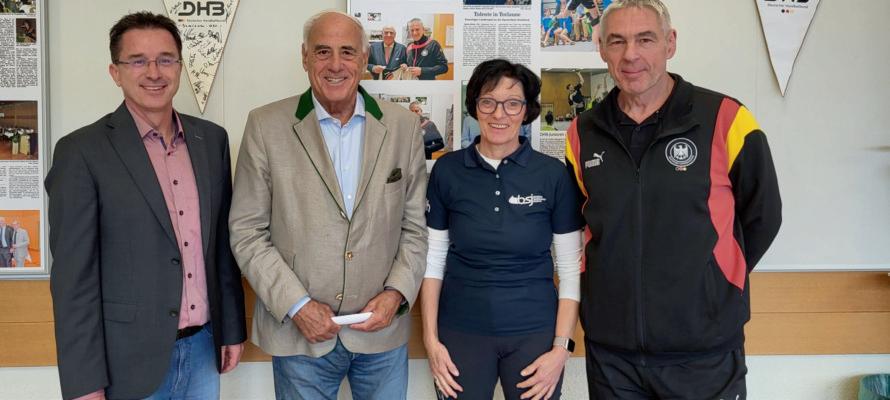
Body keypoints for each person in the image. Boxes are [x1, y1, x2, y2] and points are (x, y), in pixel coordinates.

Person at [564, 1, 782, 398]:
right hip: (612, 357)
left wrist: (711, 282)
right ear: (601, 49)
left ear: (670, 43)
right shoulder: (582, 132)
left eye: (645, 39)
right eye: (617, 41)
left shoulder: (726, 118)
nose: (631, 54)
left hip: (705, 353)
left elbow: (763, 215)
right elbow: (578, 224)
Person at [45, 11, 246, 400]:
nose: (154, 72)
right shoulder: (81, 152)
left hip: (204, 350)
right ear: (115, 72)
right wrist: (84, 384)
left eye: (165, 59)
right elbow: (73, 281)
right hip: (125, 364)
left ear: (180, 66)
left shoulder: (211, 141)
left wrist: (232, 328)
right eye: (137, 61)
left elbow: (222, 249)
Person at [229, 10, 427, 400]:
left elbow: (415, 227)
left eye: (347, 52)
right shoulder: (265, 126)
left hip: (382, 333)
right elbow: (246, 231)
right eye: (322, 52)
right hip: (300, 335)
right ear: (304, 58)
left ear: (364, 59)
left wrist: (396, 294)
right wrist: (297, 305)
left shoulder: (403, 127)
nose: (335, 65)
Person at [422, 59, 584, 400]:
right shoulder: (447, 171)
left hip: (535, 336)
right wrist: (430, 340)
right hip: (461, 333)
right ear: (474, 106)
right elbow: (432, 263)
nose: (499, 114)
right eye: (488, 102)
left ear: (526, 110)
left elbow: (570, 271)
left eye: (512, 103)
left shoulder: (552, 175)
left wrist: (561, 348)